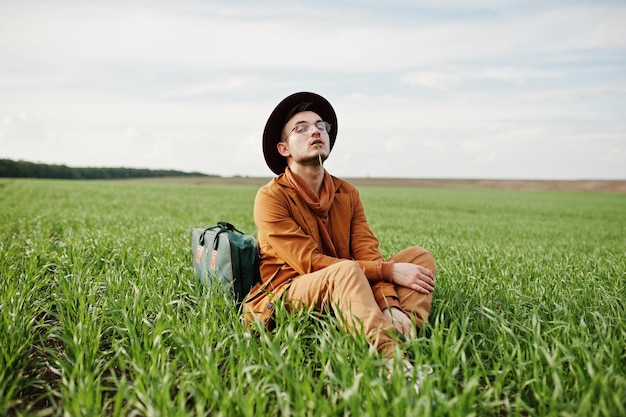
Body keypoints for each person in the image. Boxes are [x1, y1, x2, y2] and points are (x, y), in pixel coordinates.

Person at [243, 92, 436, 383]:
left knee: (419, 257)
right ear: (283, 148)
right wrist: (389, 271)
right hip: (286, 292)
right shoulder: (270, 197)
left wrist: (392, 305)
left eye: (321, 126)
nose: (316, 131)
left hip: (346, 281)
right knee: (346, 270)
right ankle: (394, 363)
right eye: (302, 128)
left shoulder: (348, 193)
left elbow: (368, 253)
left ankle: (398, 326)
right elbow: (309, 263)